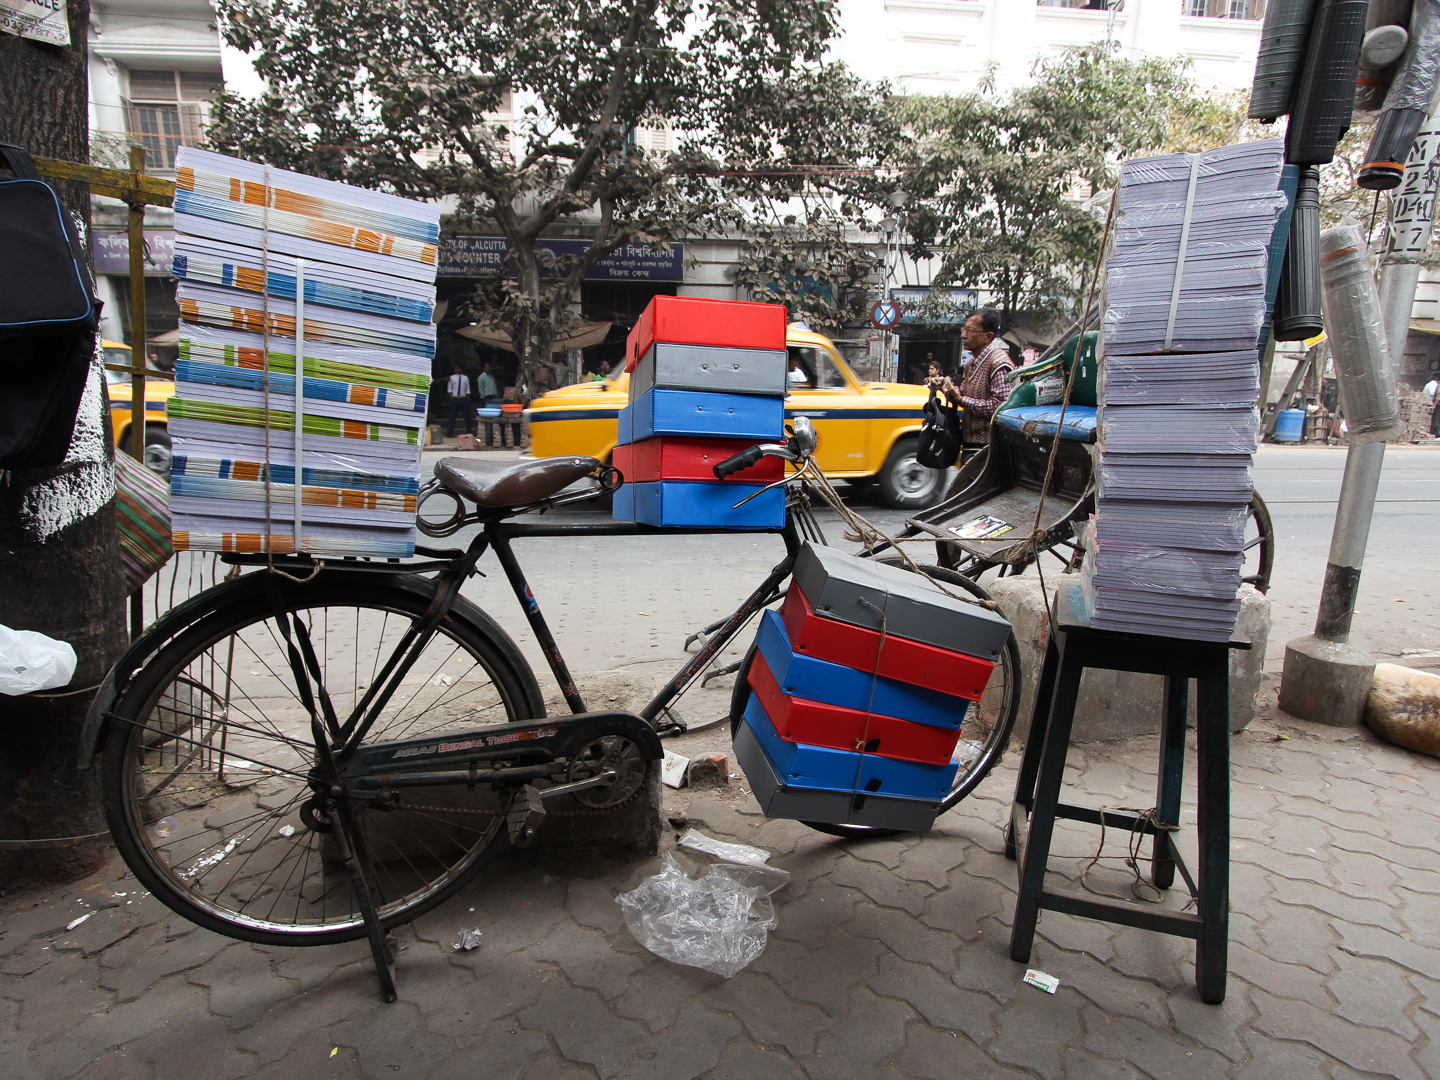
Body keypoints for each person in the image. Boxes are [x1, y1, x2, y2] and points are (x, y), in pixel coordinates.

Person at [928, 308, 1014, 452]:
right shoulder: (971, 363)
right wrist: (944, 387)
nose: (963, 335)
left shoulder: (998, 363)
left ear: (988, 337)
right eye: (964, 329)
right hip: (970, 443)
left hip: (987, 447)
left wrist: (961, 400)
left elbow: (1001, 407)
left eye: (971, 330)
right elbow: (963, 393)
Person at [475, 361, 499, 446]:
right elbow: (480, 389)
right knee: (487, 419)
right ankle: (488, 438)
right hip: (486, 398)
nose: (489, 368)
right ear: (484, 368)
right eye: (487, 367)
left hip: (494, 398)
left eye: (489, 367)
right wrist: (483, 398)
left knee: (494, 419)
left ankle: (492, 437)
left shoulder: (491, 377)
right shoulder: (481, 377)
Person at [446, 364, 473, 439]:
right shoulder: (451, 378)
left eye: (457, 368)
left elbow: (467, 390)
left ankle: (469, 431)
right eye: (455, 368)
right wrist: (451, 399)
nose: (456, 370)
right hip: (455, 398)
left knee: (467, 416)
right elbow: (449, 389)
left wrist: (467, 399)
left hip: (463, 398)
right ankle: (449, 432)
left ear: (461, 369)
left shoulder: (465, 378)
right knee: (452, 416)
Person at [1427, 371, 1440, 436]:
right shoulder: (1433, 384)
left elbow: (1438, 396)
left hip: (1438, 405)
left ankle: (1438, 434)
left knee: (1437, 420)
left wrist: (1434, 405)